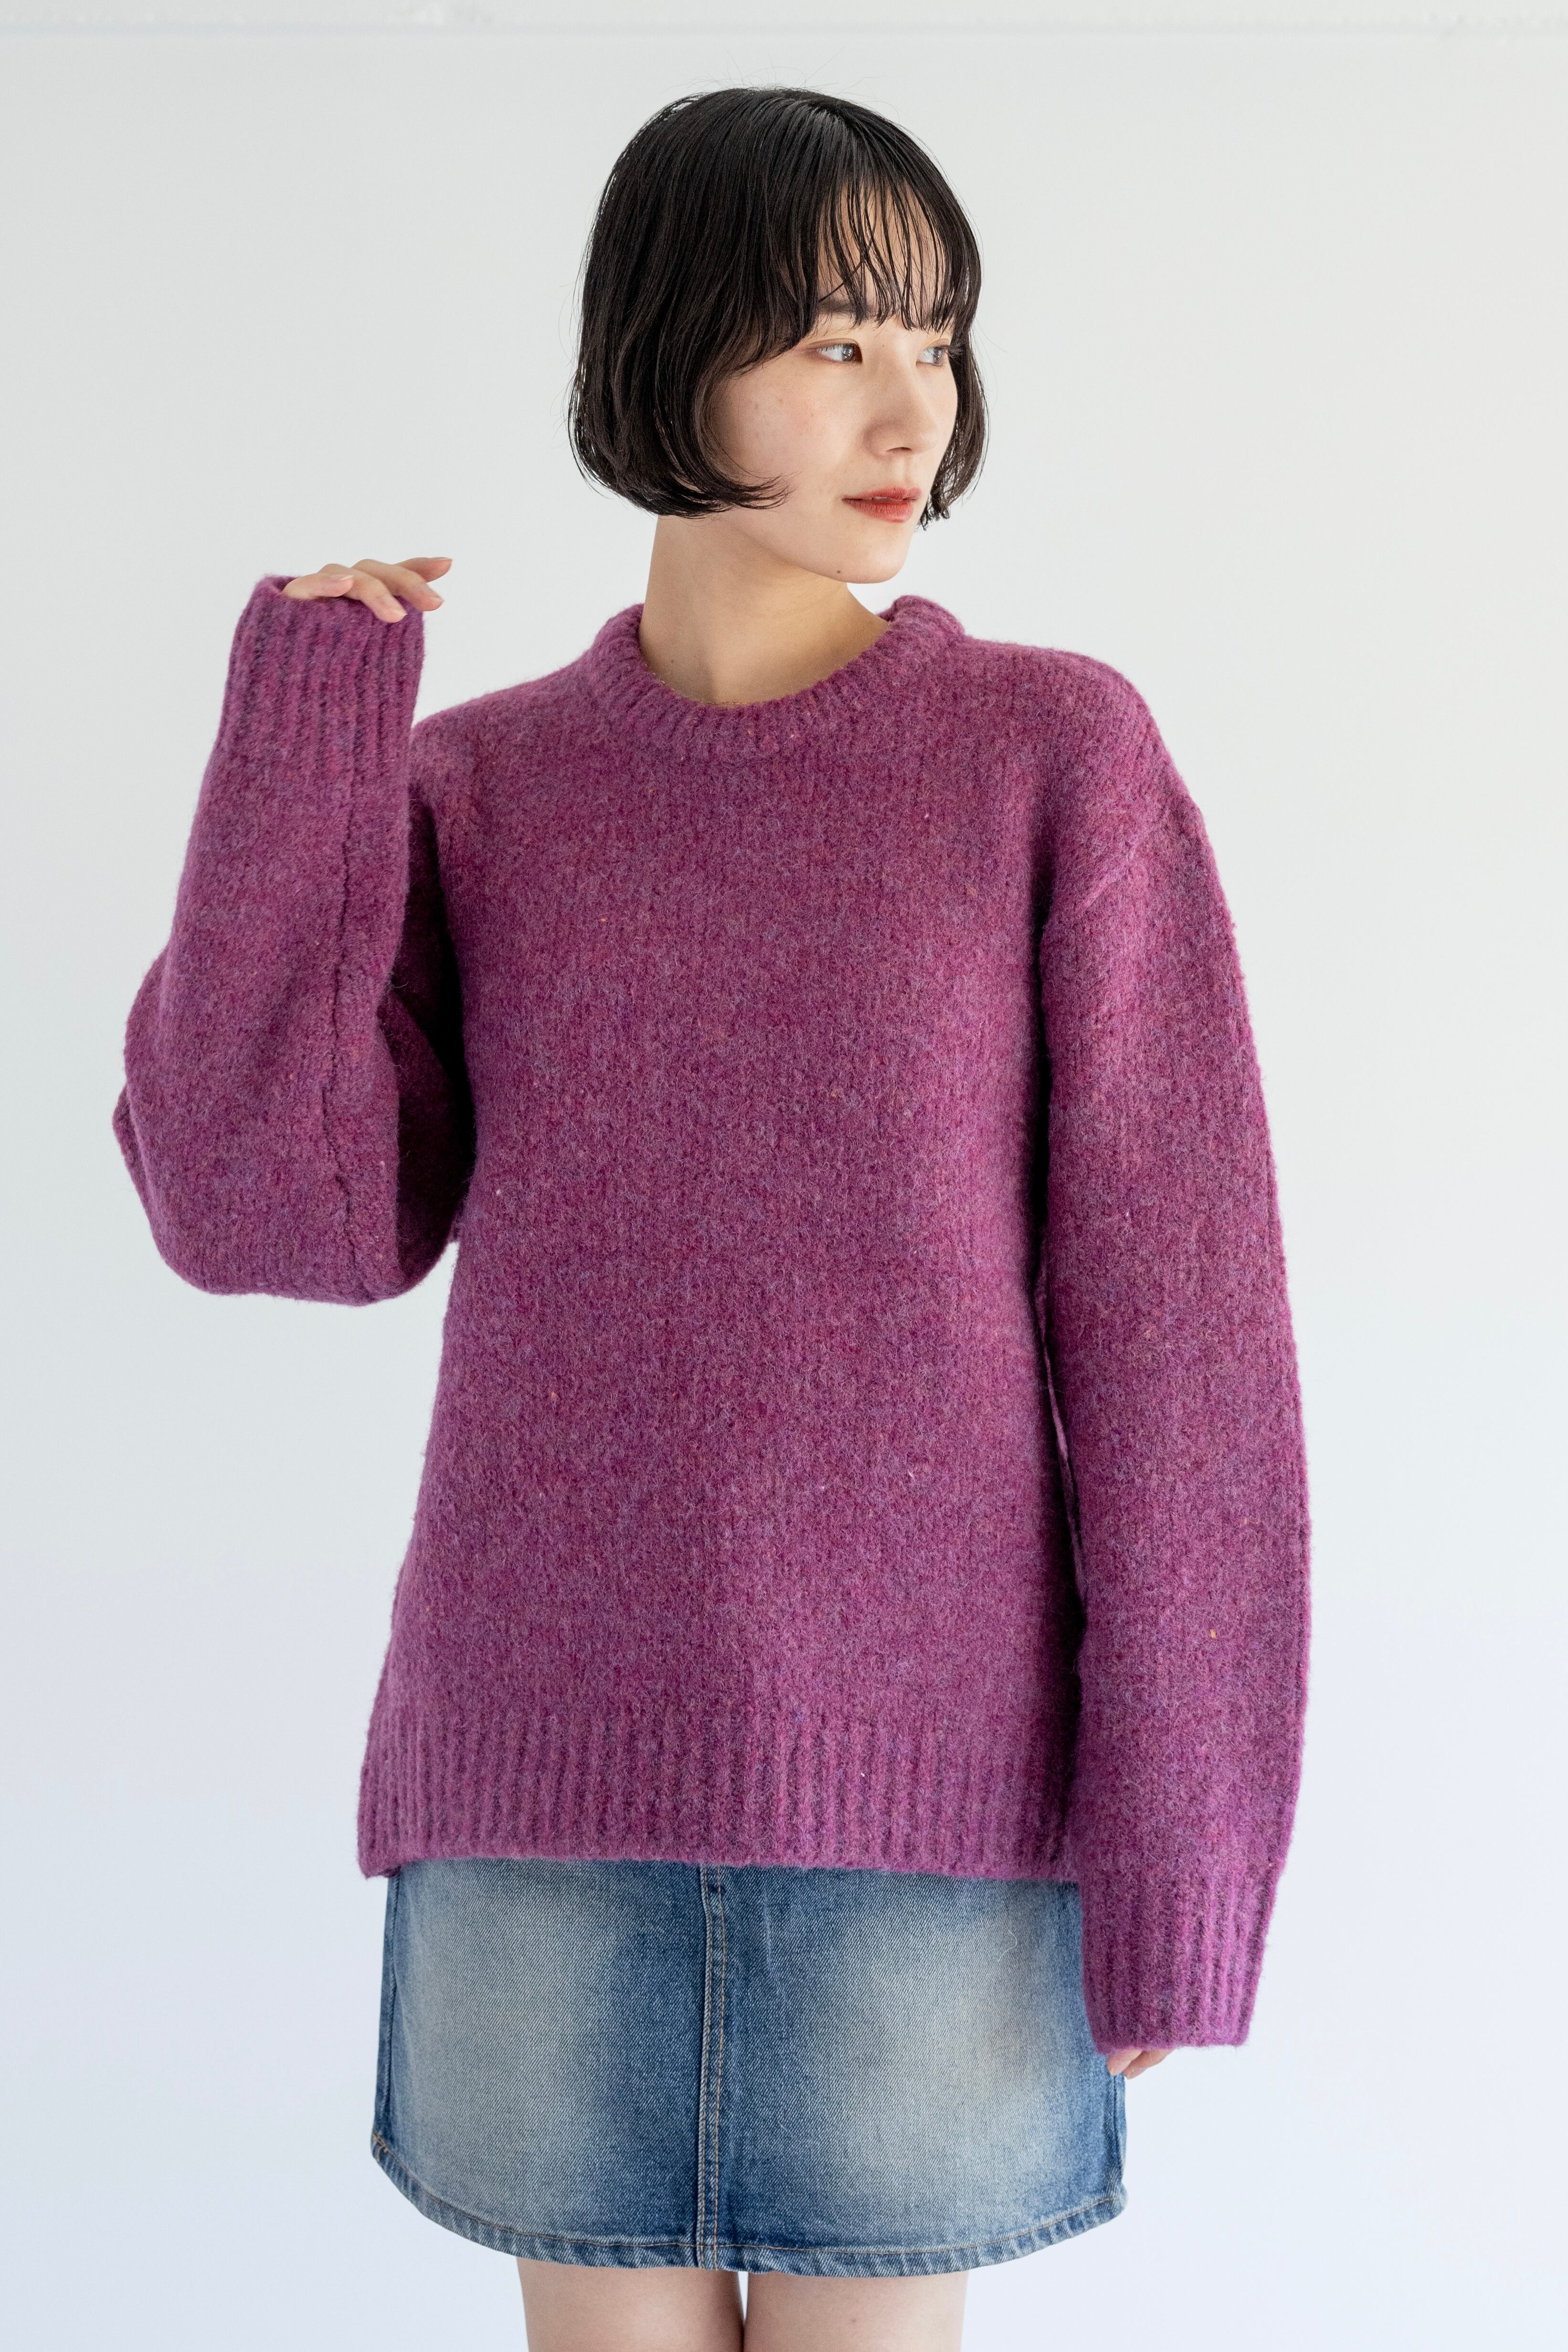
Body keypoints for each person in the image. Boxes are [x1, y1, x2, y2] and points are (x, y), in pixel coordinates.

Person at [112, 85, 1310, 2352]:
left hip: (934, 1819)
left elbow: (1182, 1340)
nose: (908, 408)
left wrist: (1185, 1844)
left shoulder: (1049, 755)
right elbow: (265, 1210)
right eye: (836, 340)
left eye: (933, 339)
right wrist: (304, 749)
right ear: (665, 351)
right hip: (537, 1794)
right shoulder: (481, 784)